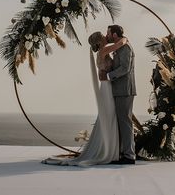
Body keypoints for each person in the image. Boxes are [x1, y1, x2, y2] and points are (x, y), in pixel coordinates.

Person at [42, 31, 127, 166]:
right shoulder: (103, 50)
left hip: (107, 86)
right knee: (109, 117)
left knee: (108, 117)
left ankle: (111, 148)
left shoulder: (101, 51)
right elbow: (121, 43)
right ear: (100, 42)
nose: (106, 37)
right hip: (107, 87)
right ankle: (109, 150)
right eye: (103, 37)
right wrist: (123, 38)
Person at [99, 25, 136, 164]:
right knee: (121, 122)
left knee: (125, 122)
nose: (106, 35)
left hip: (125, 90)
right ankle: (121, 153)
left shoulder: (125, 48)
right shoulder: (118, 48)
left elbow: (125, 68)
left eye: (108, 33)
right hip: (118, 90)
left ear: (114, 35)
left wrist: (108, 76)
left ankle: (129, 156)